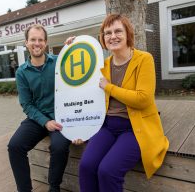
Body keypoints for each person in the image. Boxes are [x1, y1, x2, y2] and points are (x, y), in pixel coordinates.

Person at [67, 14, 169, 192]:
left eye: (117, 31)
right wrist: (74, 48)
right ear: (103, 39)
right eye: (107, 33)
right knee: (86, 166)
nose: (112, 36)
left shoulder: (144, 59)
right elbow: (75, 78)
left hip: (135, 128)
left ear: (128, 33)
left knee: (107, 171)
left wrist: (109, 87)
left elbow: (143, 99)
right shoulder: (102, 65)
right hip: (106, 127)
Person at [7, 24, 71, 192]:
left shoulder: (58, 62)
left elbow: (76, 64)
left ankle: (54, 187)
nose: (37, 43)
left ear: (46, 42)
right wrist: (45, 121)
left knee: (59, 147)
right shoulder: (22, 72)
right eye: (33, 40)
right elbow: (26, 104)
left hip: (60, 117)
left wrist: (73, 46)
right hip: (37, 118)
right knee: (14, 146)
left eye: (40, 40)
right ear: (26, 43)